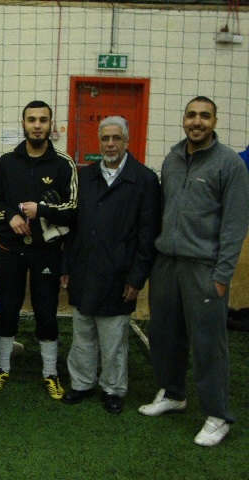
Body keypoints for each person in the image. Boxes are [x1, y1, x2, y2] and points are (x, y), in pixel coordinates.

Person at [139, 96, 249, 446]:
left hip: (204, 268)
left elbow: (234, 225)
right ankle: (173, 393)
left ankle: (218, 416)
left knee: (207, 345)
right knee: (164, 335)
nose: (196, 121)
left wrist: (222, 276)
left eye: (204, 116)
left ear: (215, 121)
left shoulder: (230, 164)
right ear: (183, 119)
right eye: (191, 115)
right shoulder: (171, 159)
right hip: (166, 265)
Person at [60, 116, 161, 413]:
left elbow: (148, 234)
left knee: (113, 336)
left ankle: (113, 389)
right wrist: (66, 265)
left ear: (127, 141)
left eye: (117, 138)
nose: (111, 144)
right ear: (99, 141)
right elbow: (72, 227)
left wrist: (137, 277)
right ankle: (81, 382)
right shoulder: (85, 176)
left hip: (120, 274)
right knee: (82, 332)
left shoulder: (144, 179)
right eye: (105, 138)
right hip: (82, 269)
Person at [0, 100, 77, 399]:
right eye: (32, 120)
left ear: (51, 124)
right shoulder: (7, 163)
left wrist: (43, 210)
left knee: (47, 312)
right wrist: (10, 216)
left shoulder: (64, 164)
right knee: (8, 308)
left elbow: (73, 208)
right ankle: (2, 368)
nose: (37, 125)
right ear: (23, 123)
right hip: (11, 248)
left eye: (43, 120)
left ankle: (50, 373)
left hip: (47, 251)